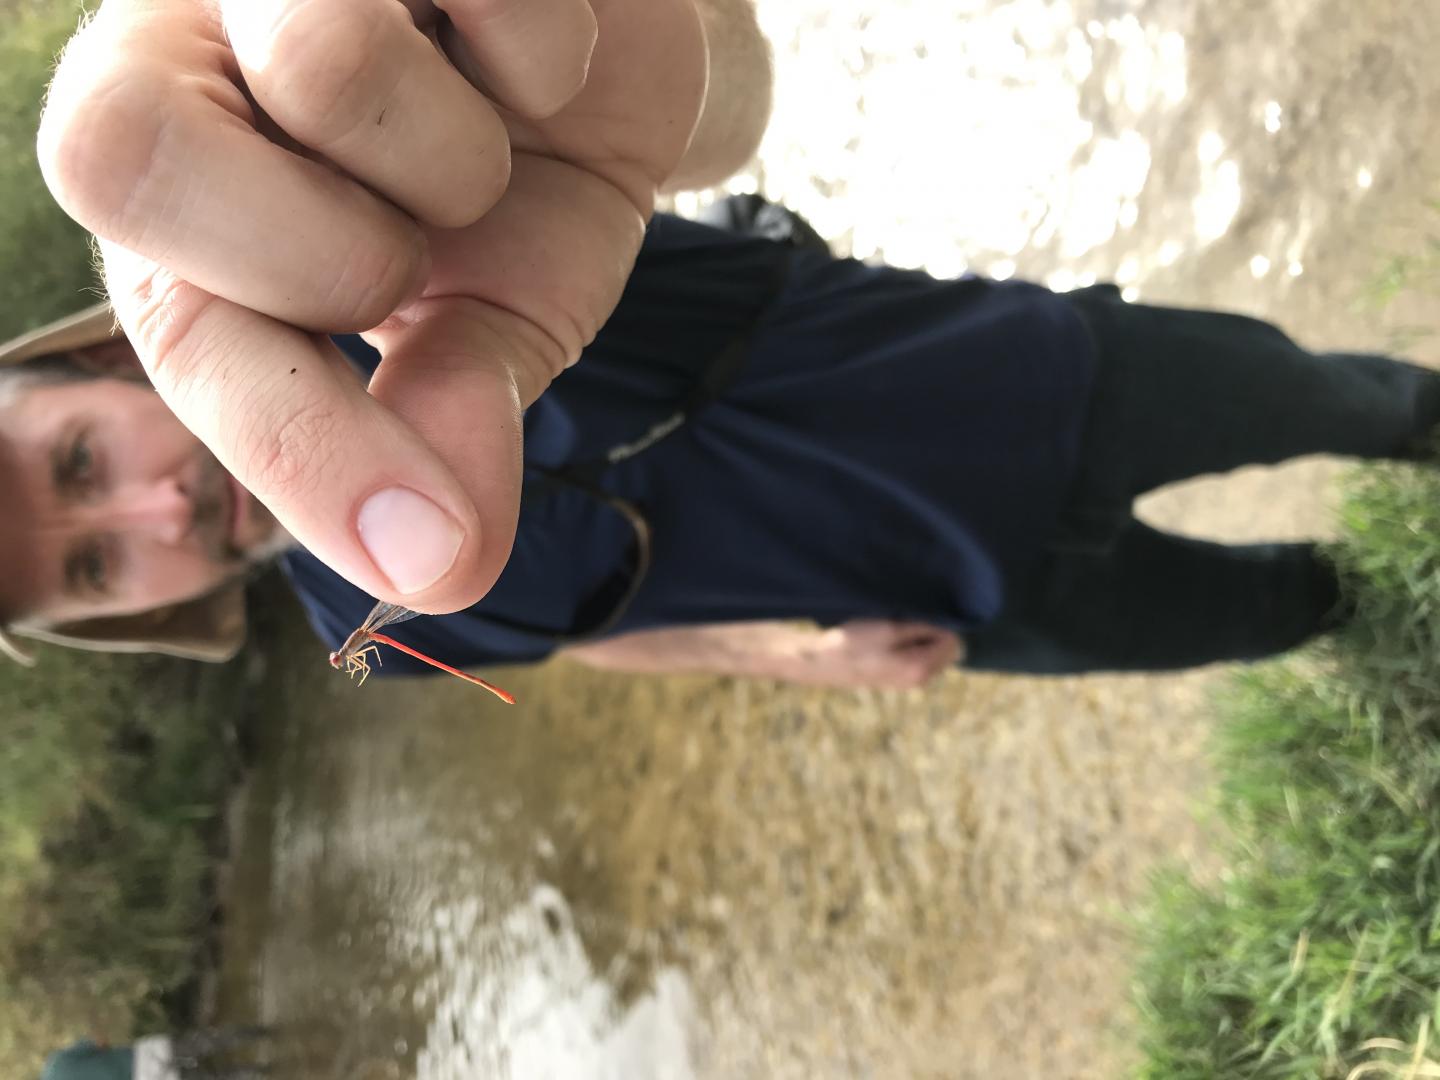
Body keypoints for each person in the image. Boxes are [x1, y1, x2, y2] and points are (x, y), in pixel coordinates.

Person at [8, 0, 1438, 685]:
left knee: (1373, 406)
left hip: (1043, 379)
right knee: (1300, 612)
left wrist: (603, 41)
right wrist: (797, 660)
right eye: (92, 566)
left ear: (105, 367)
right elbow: (595, 640)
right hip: (985, 606)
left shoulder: (377, 209)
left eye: (77, 464)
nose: (157, 513)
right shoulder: (364, 631)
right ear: (124, 615)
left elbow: (717, 102)